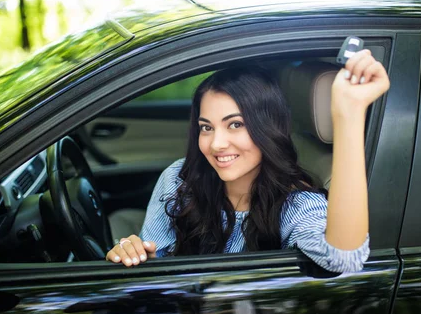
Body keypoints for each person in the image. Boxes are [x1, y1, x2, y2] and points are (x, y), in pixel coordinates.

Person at [106, 50, 390, 272]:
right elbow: (156, 263)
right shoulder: (179, 177)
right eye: (206, 127)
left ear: (267, 128)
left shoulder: (296, 204)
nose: (216, 143)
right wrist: (136, 253)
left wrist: (347, 116)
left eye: (235, 125)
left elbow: (343, 259)